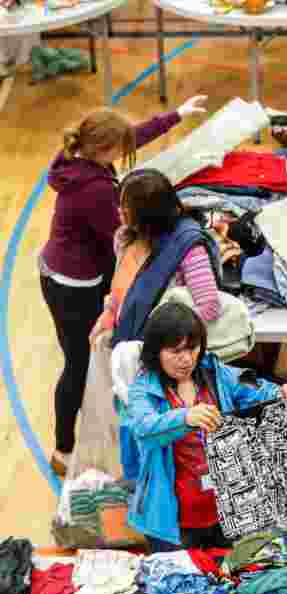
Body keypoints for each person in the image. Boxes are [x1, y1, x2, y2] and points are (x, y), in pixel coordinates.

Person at [39, 95, 207, 476]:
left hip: (69, 271)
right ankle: (64, 448)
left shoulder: (80, 157)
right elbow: (127, 237)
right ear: (103, 149)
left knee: (84, 358)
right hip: (71, 284)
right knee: (78, 364)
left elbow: (132, 136)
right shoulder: (93, 191)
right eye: (119, 149)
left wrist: (176, 115)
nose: (125, 151)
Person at [123, 302, 287, 552]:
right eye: (176, 351)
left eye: (192, 348)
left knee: (234, 579)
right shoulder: (143, 390)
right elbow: (144, 428)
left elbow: (252, 388)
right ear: (156, 351)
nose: (186, 359)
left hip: (228, 511)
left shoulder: (215, 373)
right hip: (174, 522)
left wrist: (280, 392)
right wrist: (186, 418)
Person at [93, 169, 222, 346]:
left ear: (148, 215)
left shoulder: (189, 249)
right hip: (125, 341)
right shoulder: (124, 238)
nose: (119, 212)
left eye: (126, 209)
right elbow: (120, 289)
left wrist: (160, 339)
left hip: (161, 350)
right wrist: (109, 312)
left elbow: (210, 308)